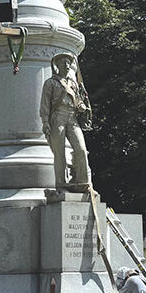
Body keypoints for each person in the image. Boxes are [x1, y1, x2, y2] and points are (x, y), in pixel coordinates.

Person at [39, 52, 91, 192]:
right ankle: (61, 185)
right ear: (57, 65)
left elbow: (78, 99)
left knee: (81, 150)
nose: (67, 65)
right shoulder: (50, 83)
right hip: (57, 117)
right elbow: (45, 105)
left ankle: (82, 183)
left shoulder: (73, 83)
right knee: (59, 153)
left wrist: (81, 105)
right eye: (64, 63)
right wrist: (45, 122)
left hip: (72, 118)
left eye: (69, 63)